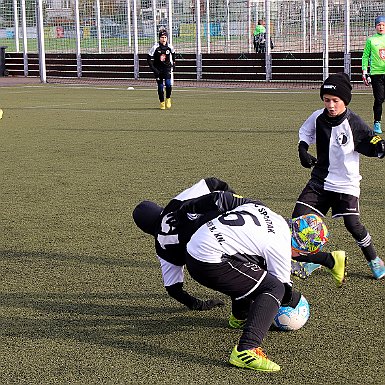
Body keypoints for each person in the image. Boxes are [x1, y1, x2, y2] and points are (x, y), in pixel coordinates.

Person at [167, 190, 329, 372]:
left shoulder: (262, 208)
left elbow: (219, 197)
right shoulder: (281, 246)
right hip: (209, 261)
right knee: (273, 288)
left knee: (254, 272)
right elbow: (283, 292)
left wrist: (184, 210)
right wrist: (295, 299)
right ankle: (247, 349)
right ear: (302, 250)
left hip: (194, 246)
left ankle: (240, 316)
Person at [291, 72, 385, 283]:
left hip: (346, 184)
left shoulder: (354, 123)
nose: (331, 105)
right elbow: (305, 132)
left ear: (345, 101)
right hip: (319, 182)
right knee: (299, 221)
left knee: (353, 225)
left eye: (336, 100)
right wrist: (303, 150)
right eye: (327, 100)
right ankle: (311, 260)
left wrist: (380, 146)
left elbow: (372, 140)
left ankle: (374, 259)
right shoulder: (317, 117)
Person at [132, 177, 235, 311]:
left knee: (241, 281)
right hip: (230, 228)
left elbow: (173, 288)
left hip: (212, 263)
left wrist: (198, 304)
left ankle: (244, 313)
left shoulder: (161, 248)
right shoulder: (174, 204)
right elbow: (212, 183)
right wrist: (234, 199)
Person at [362, 15, 385, 134]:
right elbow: (365, 56)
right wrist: (365, 71)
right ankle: (377, 122)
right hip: (376, 73)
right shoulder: (371, 40)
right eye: (379, 25)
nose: (381, 27)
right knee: (379, 98)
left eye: (383, 25)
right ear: (376, 26)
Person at [147, 28, 175, 110]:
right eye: (162, 37)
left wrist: (174, 63)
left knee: (168, 84)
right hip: (158, 69)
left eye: (165, 37)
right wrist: (153, 68)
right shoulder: (155, 47)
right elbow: (148, 58)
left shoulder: (169, 46)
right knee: (160, 86)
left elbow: (173, 54)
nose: (164, 39)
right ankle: (162, 102)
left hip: (167, 68)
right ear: (159, 38)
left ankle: (168, 98)